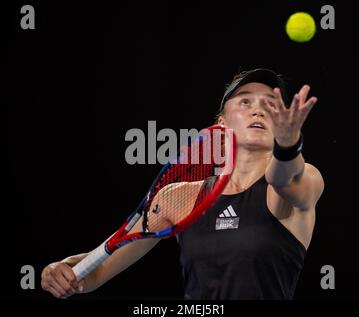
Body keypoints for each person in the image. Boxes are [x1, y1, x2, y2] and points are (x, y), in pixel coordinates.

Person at [41, 68, 324, 299]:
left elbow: (284, 178)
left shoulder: (304, 178)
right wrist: (64, 269)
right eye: (245, 101)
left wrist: (288, 147)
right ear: (222, 123)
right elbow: (96, 272)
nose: (259, 111)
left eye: (271, 104)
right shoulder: (178, 198)